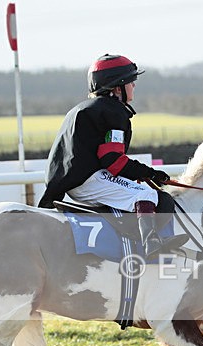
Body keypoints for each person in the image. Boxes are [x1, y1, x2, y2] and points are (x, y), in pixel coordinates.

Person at [38, 53, 187, 258]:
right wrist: (149, 173)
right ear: (118, 87)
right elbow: (113, 162)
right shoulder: (112, 111)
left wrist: (141, 174)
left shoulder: (82, 108)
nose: (134, 86)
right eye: (131, 82)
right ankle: (151, 243)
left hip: (71, 181)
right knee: (148, 195)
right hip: (88, 180)